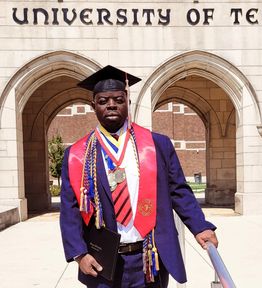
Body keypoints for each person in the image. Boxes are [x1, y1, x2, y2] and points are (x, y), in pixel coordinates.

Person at [59, 65, 218, 288]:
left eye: (118, 99)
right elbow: (70, 209)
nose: (111, 105)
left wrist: (200, 226)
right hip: (103, 261)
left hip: (150, 257)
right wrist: (79, 254)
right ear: (93, 105)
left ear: (128, 102)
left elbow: (179, 190)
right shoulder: (77, 154)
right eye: (103, 101)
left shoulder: (157, 145)